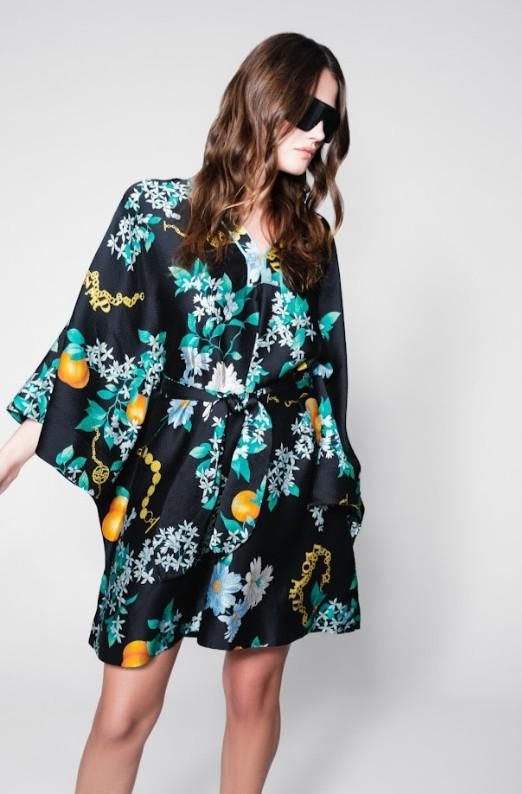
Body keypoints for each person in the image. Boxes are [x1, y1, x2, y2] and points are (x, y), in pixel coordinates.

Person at [0, 31, 365, 794]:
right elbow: (96, 341)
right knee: (125, 714)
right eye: (304, 111)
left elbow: (324, 372)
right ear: (259, 100)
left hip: (276, 481)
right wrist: (20, 442)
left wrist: (333, 490)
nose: (317, 132)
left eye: (329, 119)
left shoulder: (311, 241)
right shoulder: (158, 211)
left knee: (253, 693)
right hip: (172, 484)